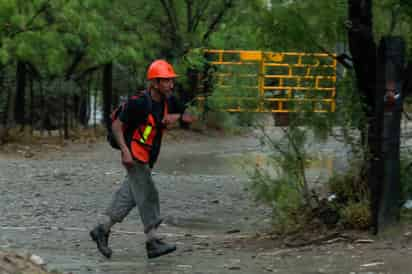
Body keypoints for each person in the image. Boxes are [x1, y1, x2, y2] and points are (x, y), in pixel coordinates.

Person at [90, 60, 197, 259]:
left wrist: (178, 118)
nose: (170, 85)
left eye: (171, 81)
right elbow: (116, 127)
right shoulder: (139, 102)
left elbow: (192, 115)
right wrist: (124, 151)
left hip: (148, 156)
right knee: (148, 192)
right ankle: (152, 240)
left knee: (130, 195)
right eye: (166, 81)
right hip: (133, 153)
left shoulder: (169, 101)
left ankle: (101, 229)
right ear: (155, 83)